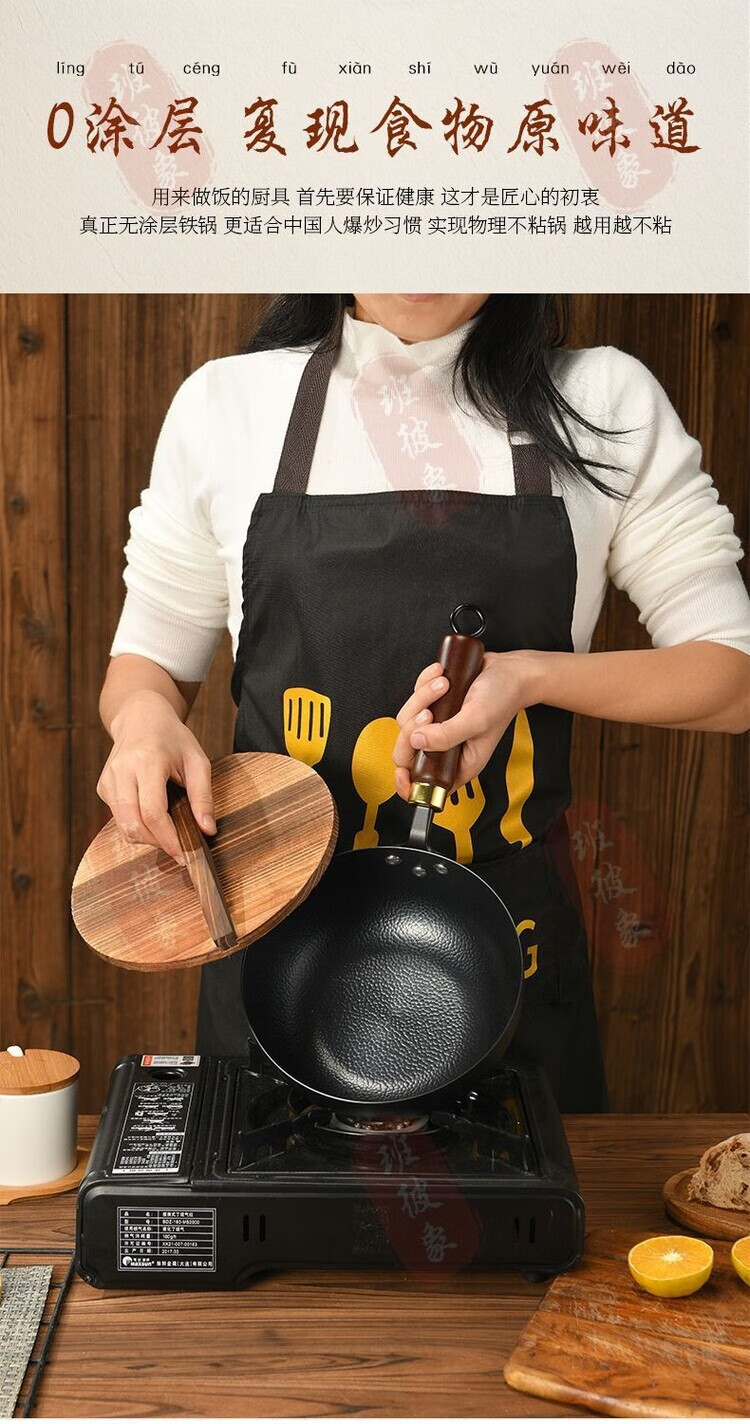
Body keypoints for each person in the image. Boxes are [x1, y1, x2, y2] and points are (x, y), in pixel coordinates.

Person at [97, 293, 750, 1112]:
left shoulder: (602, 400)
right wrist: (143, 722)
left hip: (500, 961)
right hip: (274, 952)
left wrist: (527, 677)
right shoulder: (228, 405)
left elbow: (731, 677)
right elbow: (149, 664)